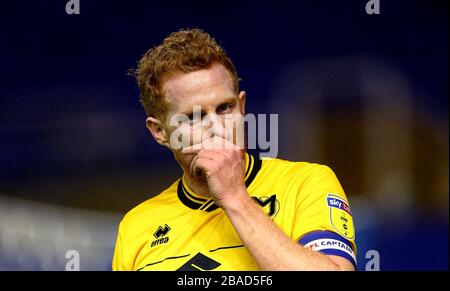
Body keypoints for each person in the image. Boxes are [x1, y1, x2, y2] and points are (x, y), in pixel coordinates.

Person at [112, 28, 356, 271]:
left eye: (225, 108)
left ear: (242, 106)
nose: (217, 128)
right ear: (160, 132)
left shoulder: (304, 183)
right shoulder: (136, 227)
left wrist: (235, 198)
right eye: (194, 117)